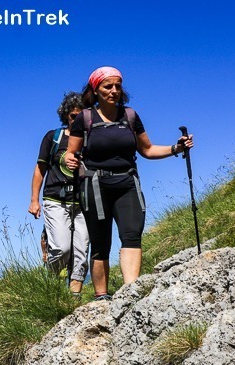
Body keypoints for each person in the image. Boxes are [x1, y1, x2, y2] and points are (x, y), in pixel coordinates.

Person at [64, 66, 194, 301]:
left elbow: (147, 149)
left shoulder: (130, 116)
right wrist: (70, 159)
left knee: (132, 235)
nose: (114, 91)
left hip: (127, 183)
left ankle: (129, 295)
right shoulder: (85, 118)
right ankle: (101, 298)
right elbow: (70, 153)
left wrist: (176, 148)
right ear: (96, 89)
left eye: (117, 86)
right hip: (95, 185)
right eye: (107, 86)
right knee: (100, 242)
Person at [29, 92, 90, 296]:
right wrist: (34, 200)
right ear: (66, 116)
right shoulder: (53, 138)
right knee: (62, 250)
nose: (77, 120)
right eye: (74, 116)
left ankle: (73, 300)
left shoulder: (91, 140)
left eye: (81, 116)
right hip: (55, 199)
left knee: (81, 252)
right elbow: (40, 169)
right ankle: (51, 279)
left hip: (83, 202)